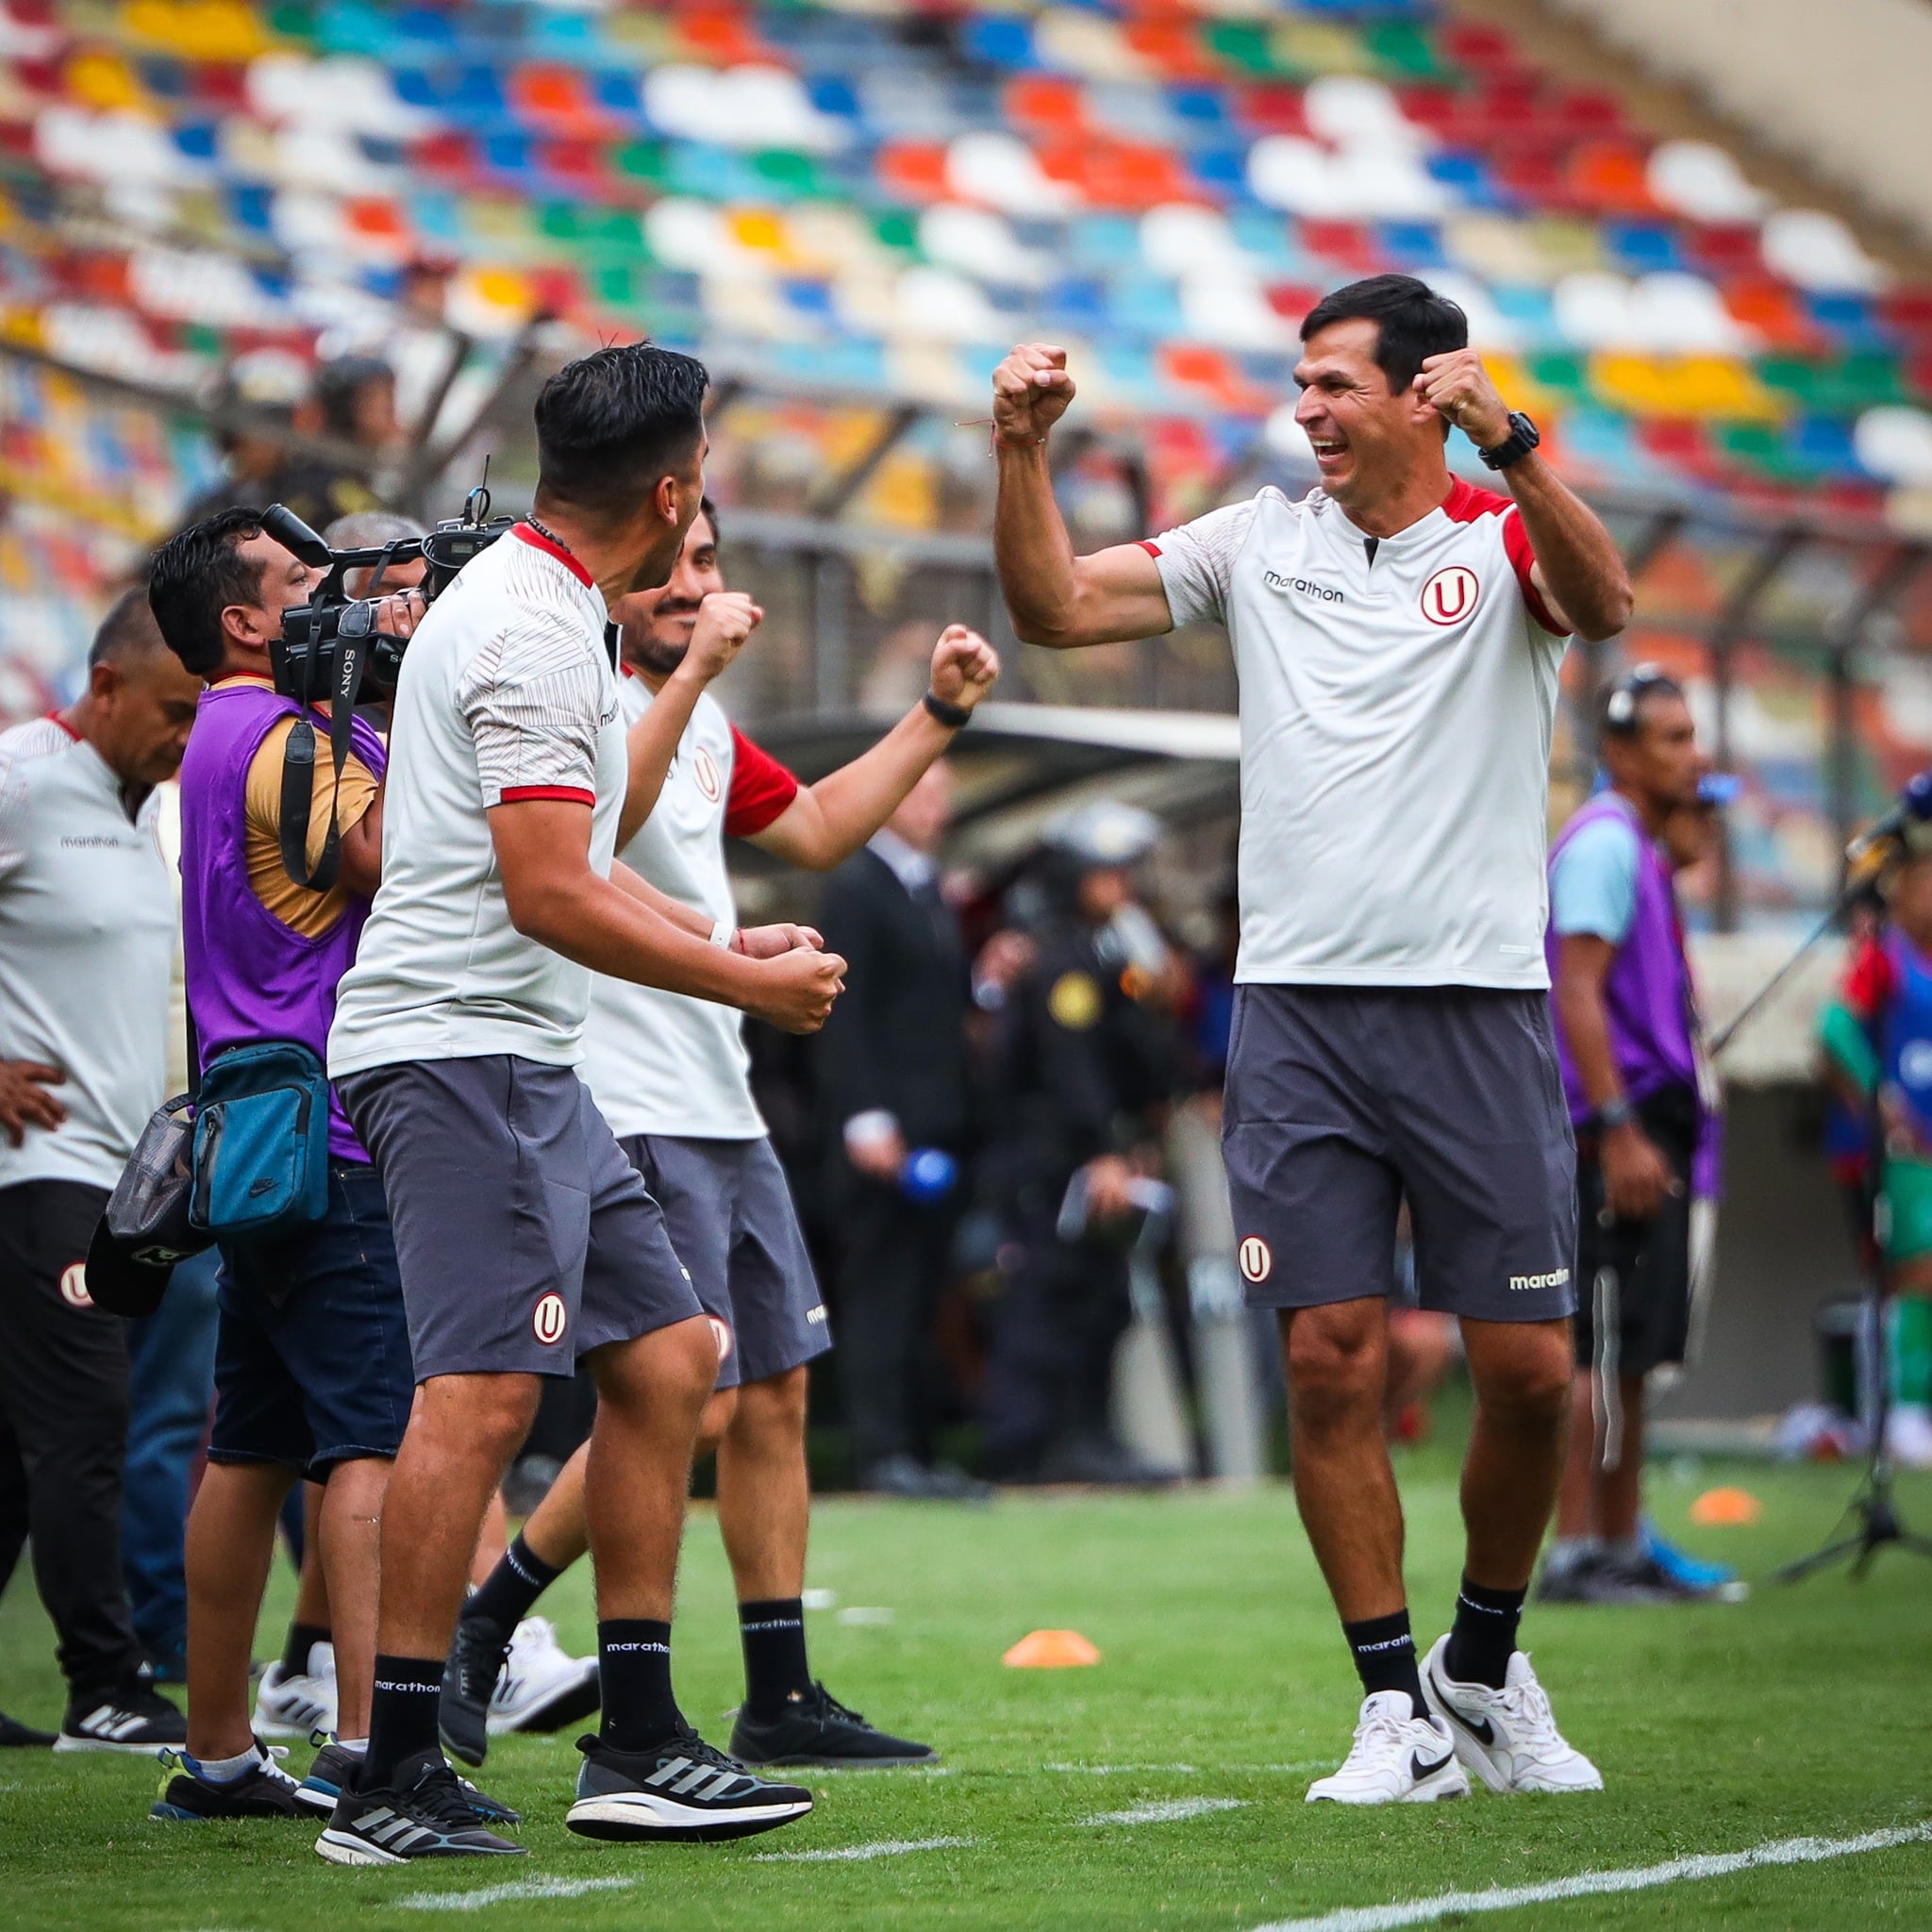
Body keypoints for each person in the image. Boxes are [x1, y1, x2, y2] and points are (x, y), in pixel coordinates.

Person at [991, 273, 1632, 1803]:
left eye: (1334, 384)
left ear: (1427, 393)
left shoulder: (1497, 541)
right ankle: (1385, 1706)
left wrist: (1519, 444)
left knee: (1531, 1371)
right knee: (1328, 1360)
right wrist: (1018, 452)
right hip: (1294, 1015)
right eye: (1299, 384)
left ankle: (1476, 1668)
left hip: (1477, 1004)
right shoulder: (1254, 539)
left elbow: (1604, 606)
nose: (1305, 411)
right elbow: (1053, 608)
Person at [324, 343, 845, 1862]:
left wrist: (712, 939)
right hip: (462, 1044)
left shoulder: (542, 607)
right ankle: (391, 1769)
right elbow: (547, 892)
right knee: (481, 1396)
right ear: (675, 490)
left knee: (674, 1356)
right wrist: (738, 987)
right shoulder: (539, 634)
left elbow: (576, 868)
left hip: (523, 1052)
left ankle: (632, 1737)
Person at [443, 501, 998, 1773]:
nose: (697, 585)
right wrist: (690, 673)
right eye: (676, 568)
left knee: (776, 1399)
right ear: (620, 583)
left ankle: (780, 1693)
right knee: (681, 1404)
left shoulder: (699, 722)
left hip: (723, 1097)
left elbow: (811, 827)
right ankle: (488, 1623)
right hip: (628, 1101)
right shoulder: (581, 693)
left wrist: (938, 715)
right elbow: (597, 831)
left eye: (708, 565)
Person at [0, 587, 201, 1751]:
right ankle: (106, 1680)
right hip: (41, 1165)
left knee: (16, 1438)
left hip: (136, 1172)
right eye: (172, 711)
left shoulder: (156, 813)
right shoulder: (23, 777)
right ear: (107, 683)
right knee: (90, 1417)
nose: (186, 738)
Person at [1541, 670, 1715, 1605]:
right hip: (1614, 1126)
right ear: (1616, 751)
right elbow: (1573, 987)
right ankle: (1578, 1550)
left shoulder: (1637, 844)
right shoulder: (1605, 842)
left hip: (1643, 1120)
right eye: (1668, 738)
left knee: (1631, 1352)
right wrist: (1612, 1126)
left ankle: (1619, 1536)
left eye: (1689, 735)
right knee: (1593, 1349)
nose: (1689, 756)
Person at [979, 803, 1182, 1485]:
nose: (1122, 885)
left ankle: (1087, 1440)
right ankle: (1029, 1447)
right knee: (1049, 1300)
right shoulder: (1062, 960)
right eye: (1107, 873)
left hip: (1096, 1154)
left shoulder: (1111, 952)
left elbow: (1138, 1054)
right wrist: (1102, 1151)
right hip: (1056, 1162)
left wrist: (1133, 1139)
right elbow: (1072, 1069)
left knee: (1101, 1300)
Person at [816, 759, 986, 1499]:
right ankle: (880, 1451)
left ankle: (917, 1448)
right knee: (881, 1292)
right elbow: (845, 1014)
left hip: (937, 1128)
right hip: (886, 1137)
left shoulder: (929, 888)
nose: (934, 806)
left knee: (924, 1294)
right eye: (919, 789)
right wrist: (866, 1118)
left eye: (943, 792)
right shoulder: (856, 885)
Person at [1819, 840, 1932, 1471]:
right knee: (1915, 1273)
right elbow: (1834, 1029)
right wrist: (1880, 1105)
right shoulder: (1883, 956)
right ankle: (1901, 1415)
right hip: (1895, 1152)